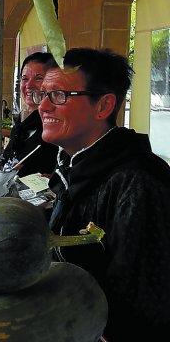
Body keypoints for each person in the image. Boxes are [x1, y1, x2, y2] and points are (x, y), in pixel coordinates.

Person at [36, 48, 170, 341]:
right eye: (41, 95)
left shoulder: (137, 184)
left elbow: (142, 312)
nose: (43, 106)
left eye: (58, 95)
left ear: (103, 106)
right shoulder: (75, 167)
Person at [2, 52, 58, 177]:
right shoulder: (21, 123)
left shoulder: (56, 124)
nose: (29, 85)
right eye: (24, 79)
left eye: (38, 78)